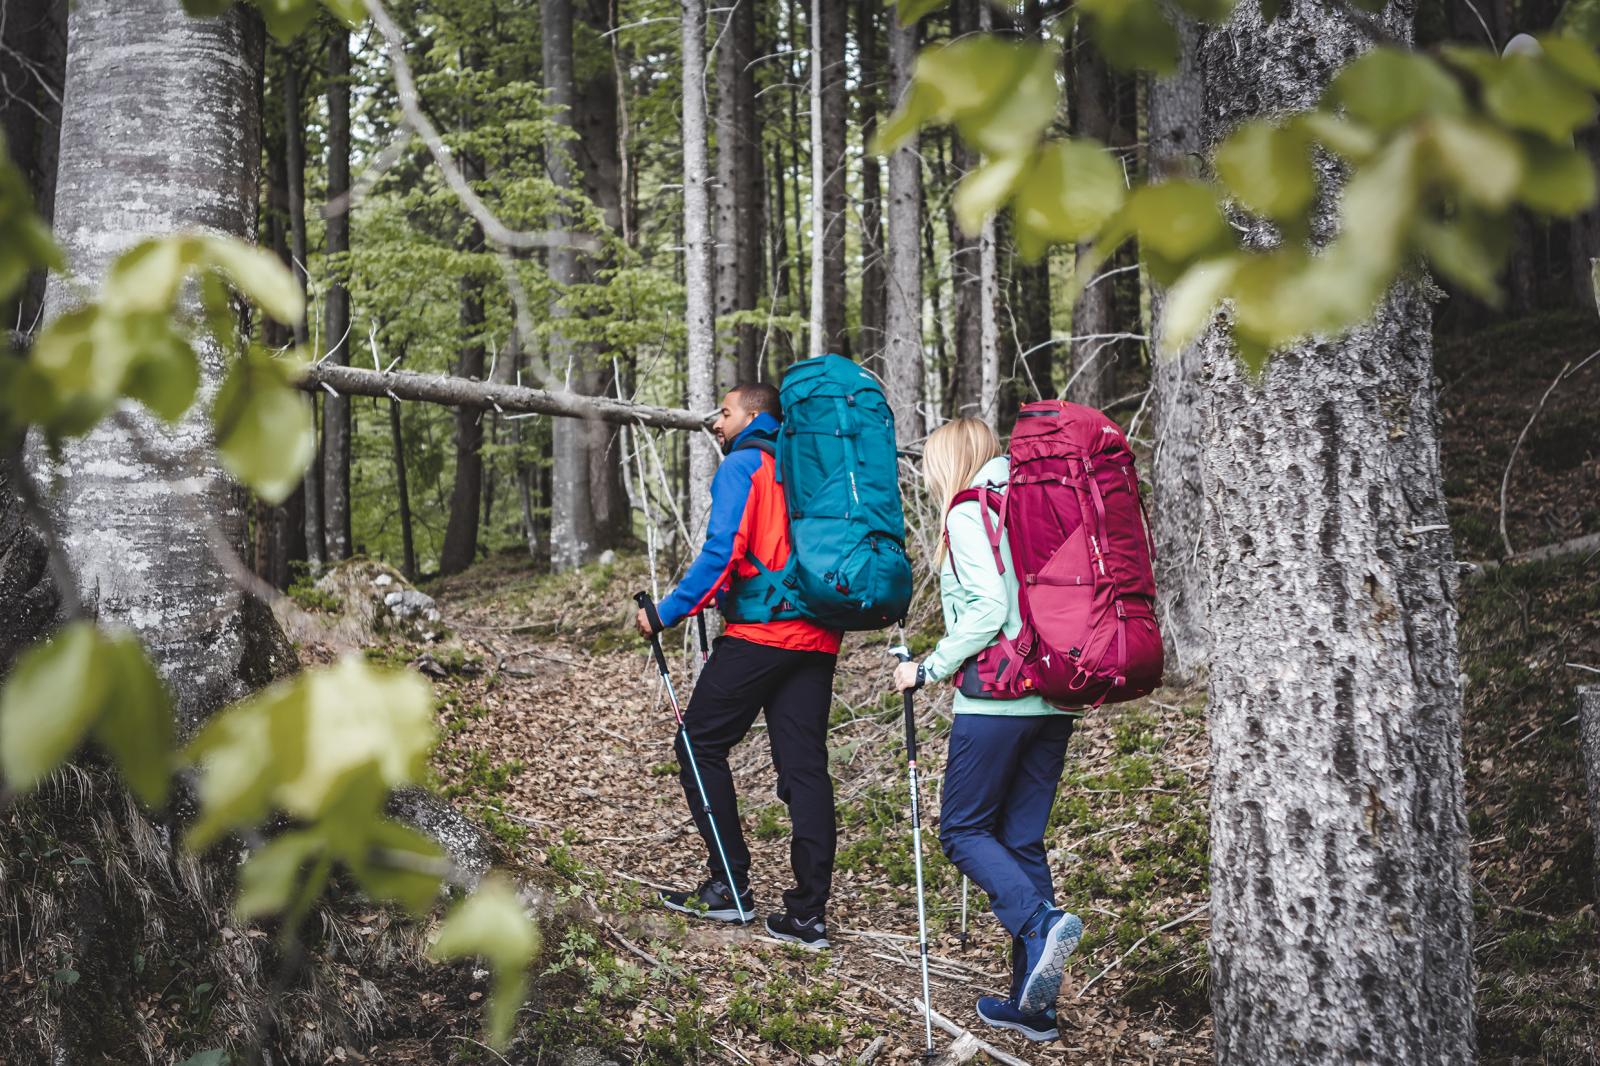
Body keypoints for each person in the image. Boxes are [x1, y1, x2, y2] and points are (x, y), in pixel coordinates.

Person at [892, 417, 1084, 1041]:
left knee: (962, 830)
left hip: (997, 699)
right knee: (1022, 840)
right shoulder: (1034, 504)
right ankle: (1034, 1007)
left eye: (931, 463)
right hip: (1054, 697)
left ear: (952, 459)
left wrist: (928, 668)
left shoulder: (973, 509)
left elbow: (987, 608)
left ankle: (1037, 923)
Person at [634, 382, 841, 949]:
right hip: (817, 636)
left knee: (697, 745)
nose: (717, 421)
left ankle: (729, 887)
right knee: (805, 768)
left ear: (754, 414)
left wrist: (666, 613)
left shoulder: (744, 465)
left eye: (725, 412)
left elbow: (722, 553)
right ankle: (807, 915)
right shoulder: (812, 466)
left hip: (761, 632)